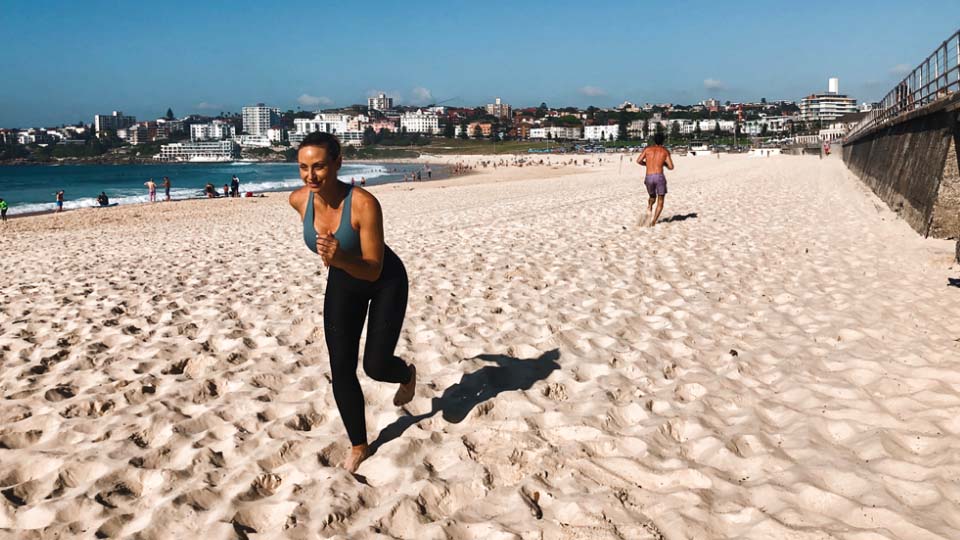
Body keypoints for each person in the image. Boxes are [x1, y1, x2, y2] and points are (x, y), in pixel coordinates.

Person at [289, 132, 416, 473]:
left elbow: (373, 268)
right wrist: (339, 260)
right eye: (303, 167)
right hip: (344, 281)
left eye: (319, 166)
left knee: (375, 366)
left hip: (384, 280)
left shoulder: (363, 203)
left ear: (338, 162)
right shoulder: (299, 200)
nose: (310, 176)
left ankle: (406, 373)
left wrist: (341, 257)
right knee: (341, 366)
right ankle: (359, 445)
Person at [636, 132, 674, 227]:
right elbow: (671, 166)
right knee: (660, 200)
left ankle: (649, 207)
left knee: (652, 197)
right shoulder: (664, 151)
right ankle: (653, 222)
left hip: (649, 176)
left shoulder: (647, 149)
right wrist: (663, 164)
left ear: (654, 140)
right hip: (659, 176)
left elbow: (638, 161)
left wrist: (647, 164)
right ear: (663, 141)